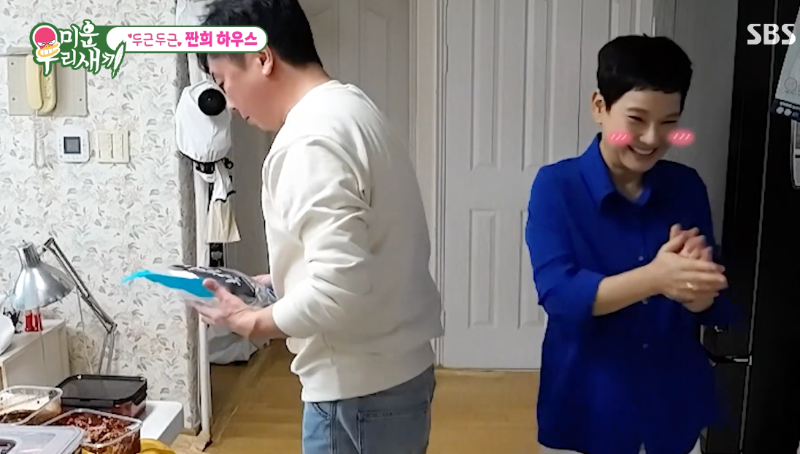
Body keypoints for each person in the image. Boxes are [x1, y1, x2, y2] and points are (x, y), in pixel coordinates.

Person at [187, 1, 444, 453]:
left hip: (357, 392)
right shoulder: (351, 107)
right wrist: (284, 280)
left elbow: (338, 290)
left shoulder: (308, 141)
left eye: (224, 82)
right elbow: (365, 249)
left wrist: (252, 322)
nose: (229, 103)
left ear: (262, 58)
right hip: (396, 374)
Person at [525, 35, 737, 454]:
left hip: (672, 409)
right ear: (599, 107)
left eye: (669, 122)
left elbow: (711, 302)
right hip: (587, 404)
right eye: (636, 119)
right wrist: (657, 277)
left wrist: (698, 290)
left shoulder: (685, 186)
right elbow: (561, 296)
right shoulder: (557, 187)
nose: (652, 137)